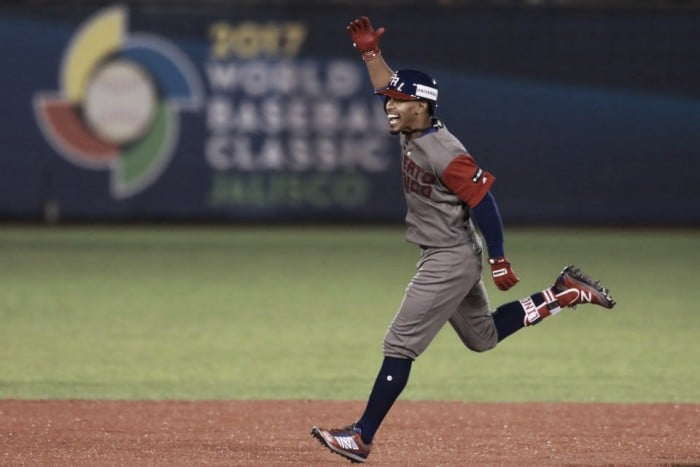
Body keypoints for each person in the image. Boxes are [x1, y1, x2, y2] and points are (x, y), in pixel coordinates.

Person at [311, 16, 616, 464]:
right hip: (447, 255)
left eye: (398, 102)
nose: (389, 108)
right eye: (388, 101)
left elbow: (484, 202)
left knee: (399, 345)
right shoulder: (412, 127)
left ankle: (361, 437)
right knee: (483, 337)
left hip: (448, 261)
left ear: (422, 106)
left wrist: (499, 259)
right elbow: (390, 85)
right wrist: (370, 54)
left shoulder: (445, 152)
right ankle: (562, 292)